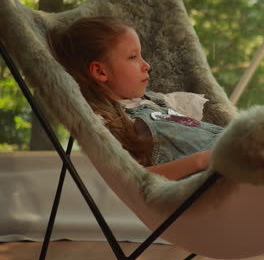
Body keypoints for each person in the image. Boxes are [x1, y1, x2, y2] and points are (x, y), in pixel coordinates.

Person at [48, 16, 224, 181]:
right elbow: (136, 181)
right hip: (221, 176)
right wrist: (201, 160)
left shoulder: (158, 102)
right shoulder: (113, 124)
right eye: (133, 57)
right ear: (101, 71)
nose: (147, 66)